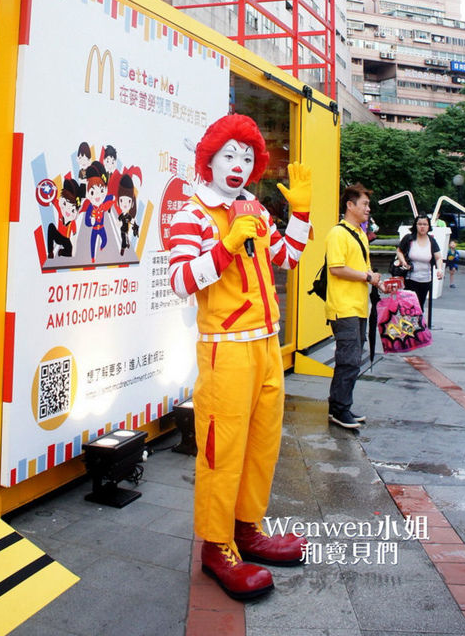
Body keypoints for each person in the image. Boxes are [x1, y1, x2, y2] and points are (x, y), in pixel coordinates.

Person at [169, 114, 312, 601]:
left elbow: (287, 259)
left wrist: (302, 214)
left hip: (267, 347)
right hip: (225, 353)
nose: (238, 165)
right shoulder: (190, 213)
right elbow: (180, 281)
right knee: (221, 449)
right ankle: (216, 546)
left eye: (247, 157)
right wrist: (226, 246)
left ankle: (247, 529)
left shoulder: (255, 209)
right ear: (207, 160)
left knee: (262, 446)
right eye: (229, 155)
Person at [325, 184, 381, 430]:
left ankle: (341, 406)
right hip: (343, 307)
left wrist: (374, 278)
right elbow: (336, 268)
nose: (368, 208)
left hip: (358, 306)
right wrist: (367, 277)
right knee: (348, 360)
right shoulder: (338, 233)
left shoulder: (359, 233)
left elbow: (361, 268)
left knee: (353, 359)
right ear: (350, 205)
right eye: (365, 204)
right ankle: (339, 410)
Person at [396, 213, 443, 311]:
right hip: (410, 278)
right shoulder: (409, 238)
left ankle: (418, 324)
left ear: (428, 226)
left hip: (425, 279)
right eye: (420, 224)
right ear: (415, 225)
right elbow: (399, 251)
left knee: (420, 306)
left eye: (425, 224)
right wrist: (403, 261)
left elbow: (438, 257)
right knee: (409, 306)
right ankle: (408, 324)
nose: (422, 227)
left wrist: (440, 269)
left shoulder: (431, 241)